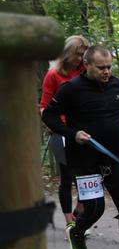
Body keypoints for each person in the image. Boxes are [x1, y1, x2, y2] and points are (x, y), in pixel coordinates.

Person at [42, 45, 119, 249]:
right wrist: (73, 133)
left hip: (113, 157)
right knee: (95, 209)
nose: (106, 71)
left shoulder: (117, 85)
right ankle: (77, 232)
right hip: (83, 159)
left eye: (109, 66)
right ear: (87, 65)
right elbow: (48, 115)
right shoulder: (71, 88)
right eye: (101, 67)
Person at [39, 35, 89, 228]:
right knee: (67, 178)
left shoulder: (84, 72)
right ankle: (69, 222)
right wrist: (56, 127)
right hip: (61, 133)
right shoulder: (53, 75)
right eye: (77, 55)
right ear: (67, 53)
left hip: (83, 130)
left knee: (87, 177)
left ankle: (78, 212)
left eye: (83, 55)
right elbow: (44, 107)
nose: (79, 59)